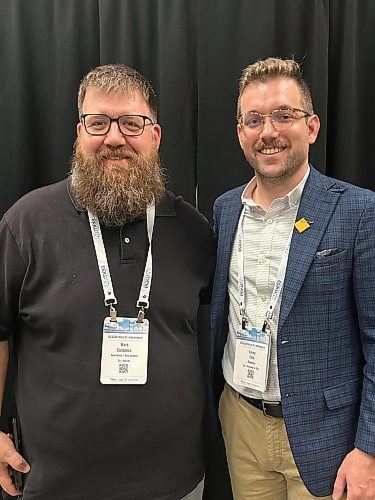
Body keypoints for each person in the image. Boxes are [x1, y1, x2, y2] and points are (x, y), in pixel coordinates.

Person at [0, 64, 215, 500]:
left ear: (155, 136)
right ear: (79, 133)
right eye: (98, 122)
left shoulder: (195, 231)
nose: (114, 138)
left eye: (131, 123)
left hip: (175, 483)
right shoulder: (27, 222)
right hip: (55, 484)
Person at [209, 57, 375, 500]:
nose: (269, 132)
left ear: (313, 126)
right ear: (240, 131)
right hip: (240, 420)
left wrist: (369, 449)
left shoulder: (359, 212)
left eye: (285, 115)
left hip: (329, 436)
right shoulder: (225, 211)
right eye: (254, 119)